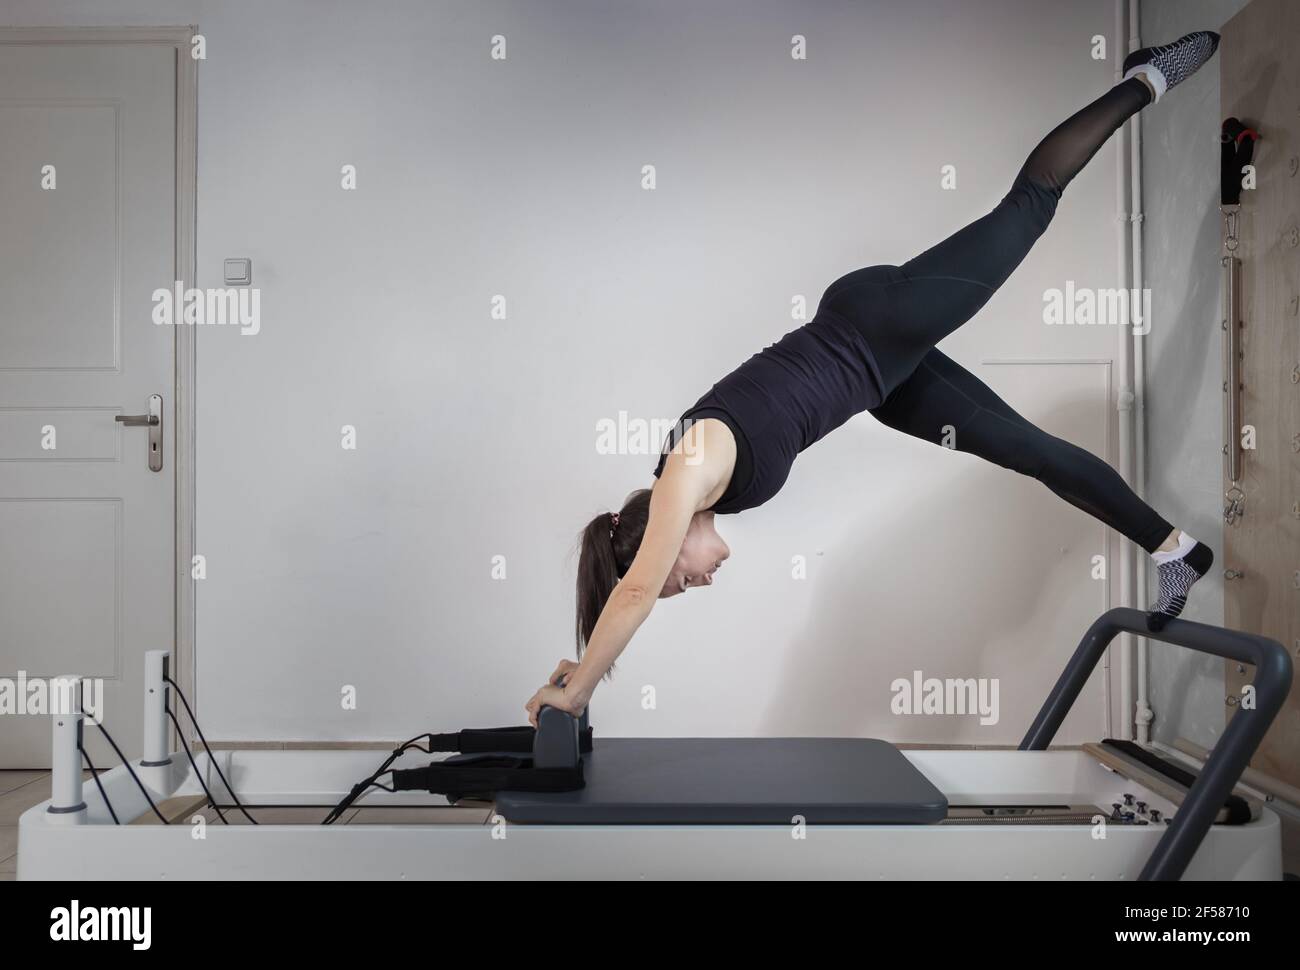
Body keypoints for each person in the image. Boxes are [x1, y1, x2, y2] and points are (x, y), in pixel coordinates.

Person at [527, 31, 1222, 726]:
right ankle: (1177, 551)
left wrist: (582, 685)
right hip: (882, 387)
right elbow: (638, 584)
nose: (697, 580)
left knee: (1030, 203)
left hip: (876, 323)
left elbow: (636, 589)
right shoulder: (709, 493)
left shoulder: (686, 467)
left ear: (664, 540)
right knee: (1033, 453)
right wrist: (573, 670)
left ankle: (1146, 79)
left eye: (680, 578)